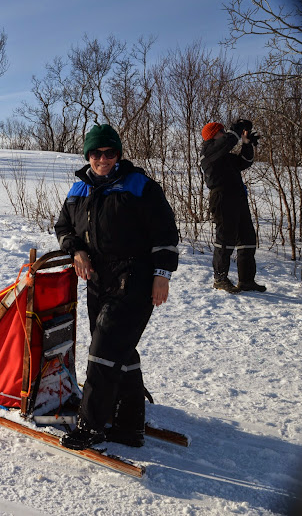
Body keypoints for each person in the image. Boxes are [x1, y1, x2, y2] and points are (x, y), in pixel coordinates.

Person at [55, 124, 179, 450]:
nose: (103, 159)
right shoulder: (79, 188)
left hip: (135, 277)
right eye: (96, 153)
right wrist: (76, 250)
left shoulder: (140, 186)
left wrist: (162, 274)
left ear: (119, 154)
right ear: (88, 155)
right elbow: (64, 225)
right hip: (97, 279)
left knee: (104, 350)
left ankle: (91, 425)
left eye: (110, 153)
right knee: (117, 349)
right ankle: (128, 423)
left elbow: (165, 232)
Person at [200, 120, 265, 293]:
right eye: (220, 131)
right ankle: (220, 278)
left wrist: (247, 143)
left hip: (238, 197)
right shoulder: (208, 151)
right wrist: (236, 130)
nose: (223, 133)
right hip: (222, 197)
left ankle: (246, 280)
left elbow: (245, 162)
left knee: (247, 239)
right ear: (213, 135)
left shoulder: (225, 155)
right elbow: (228, 141)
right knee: (225, 238)